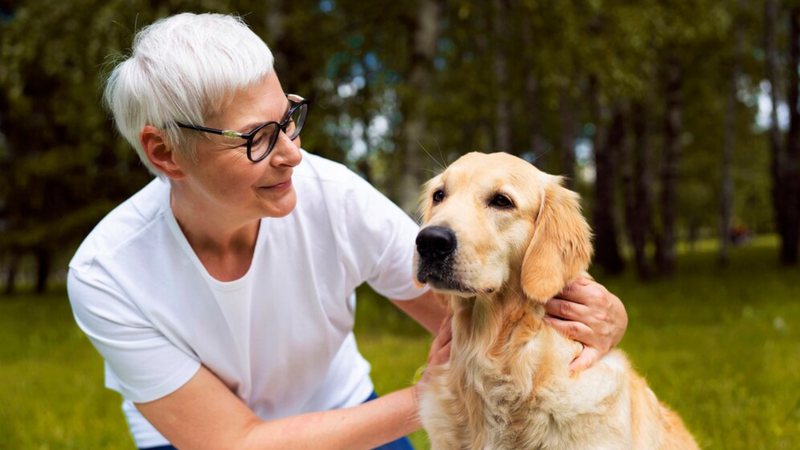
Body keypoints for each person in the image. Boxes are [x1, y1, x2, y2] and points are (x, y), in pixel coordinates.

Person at [67, 12, 628, 450]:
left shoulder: (330, 195)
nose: (292, 154)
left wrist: (603, 320)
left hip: (345, 411)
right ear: (165, 152)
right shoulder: (108, 275)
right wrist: (438, 394)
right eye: (257, 138)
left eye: (288, 118)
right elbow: (235, 442)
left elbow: (491, 305)